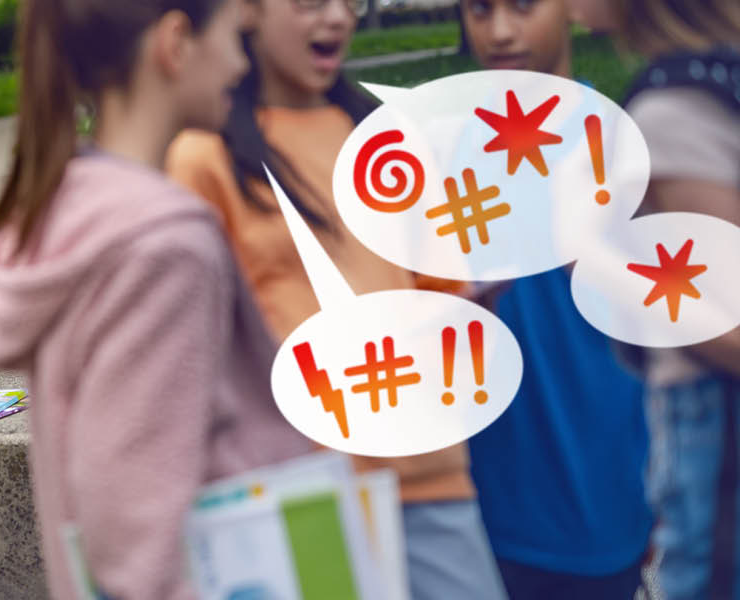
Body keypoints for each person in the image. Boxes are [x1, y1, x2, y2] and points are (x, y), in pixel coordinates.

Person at [0, 0, 316, 597]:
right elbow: (135, 526)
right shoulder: (165, 244)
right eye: (235, 36)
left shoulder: (69, 207)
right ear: (176, 42)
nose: (242, 62)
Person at [165, 1, 506, 598]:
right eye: (309, 3)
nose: (338, 18)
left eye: (350, 2)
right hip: (297, 490)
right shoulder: (202, 156)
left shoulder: (389, 138)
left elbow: (448, 299)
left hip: (427, 474)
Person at [458, 0, 653, 597]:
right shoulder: (435, 155)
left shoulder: (624, 145)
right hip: (487, 511)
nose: (500, 32)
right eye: (479, 9)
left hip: (613, 501)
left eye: (522, 7)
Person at [571, 0, 740, 597]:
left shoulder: (674, 111)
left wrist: (604, 267)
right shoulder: (720, 82)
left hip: (716, 423)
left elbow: (726, 328)